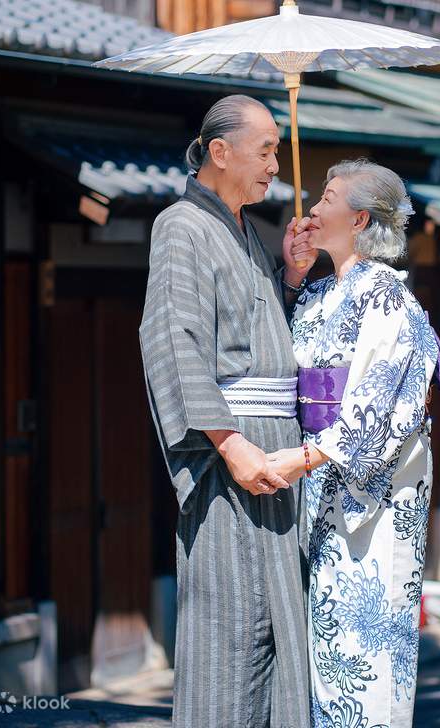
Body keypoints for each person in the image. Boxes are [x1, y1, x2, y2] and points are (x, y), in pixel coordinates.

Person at [140, 94, 316, 727]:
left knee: (278, 628)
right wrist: (231, 445)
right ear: (220, 151)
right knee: (235, 627)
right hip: (233, 451)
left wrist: (290, 275)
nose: (275, 165)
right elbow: (171, 340)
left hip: (274, 451)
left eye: (275, 150)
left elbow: (265, 337)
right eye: (265, 150)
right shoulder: (181, 226)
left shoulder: (244, 230)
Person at [264, 159, 440, 726]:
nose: (313, 208)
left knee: (369, 653)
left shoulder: (388, 297)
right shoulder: (319, 293)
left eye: (328, 198)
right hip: (320, 489)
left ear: (360, 217)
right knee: (325, 653)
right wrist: (294, 274)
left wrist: (308, 455)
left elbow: (386, 398)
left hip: (373, 496)